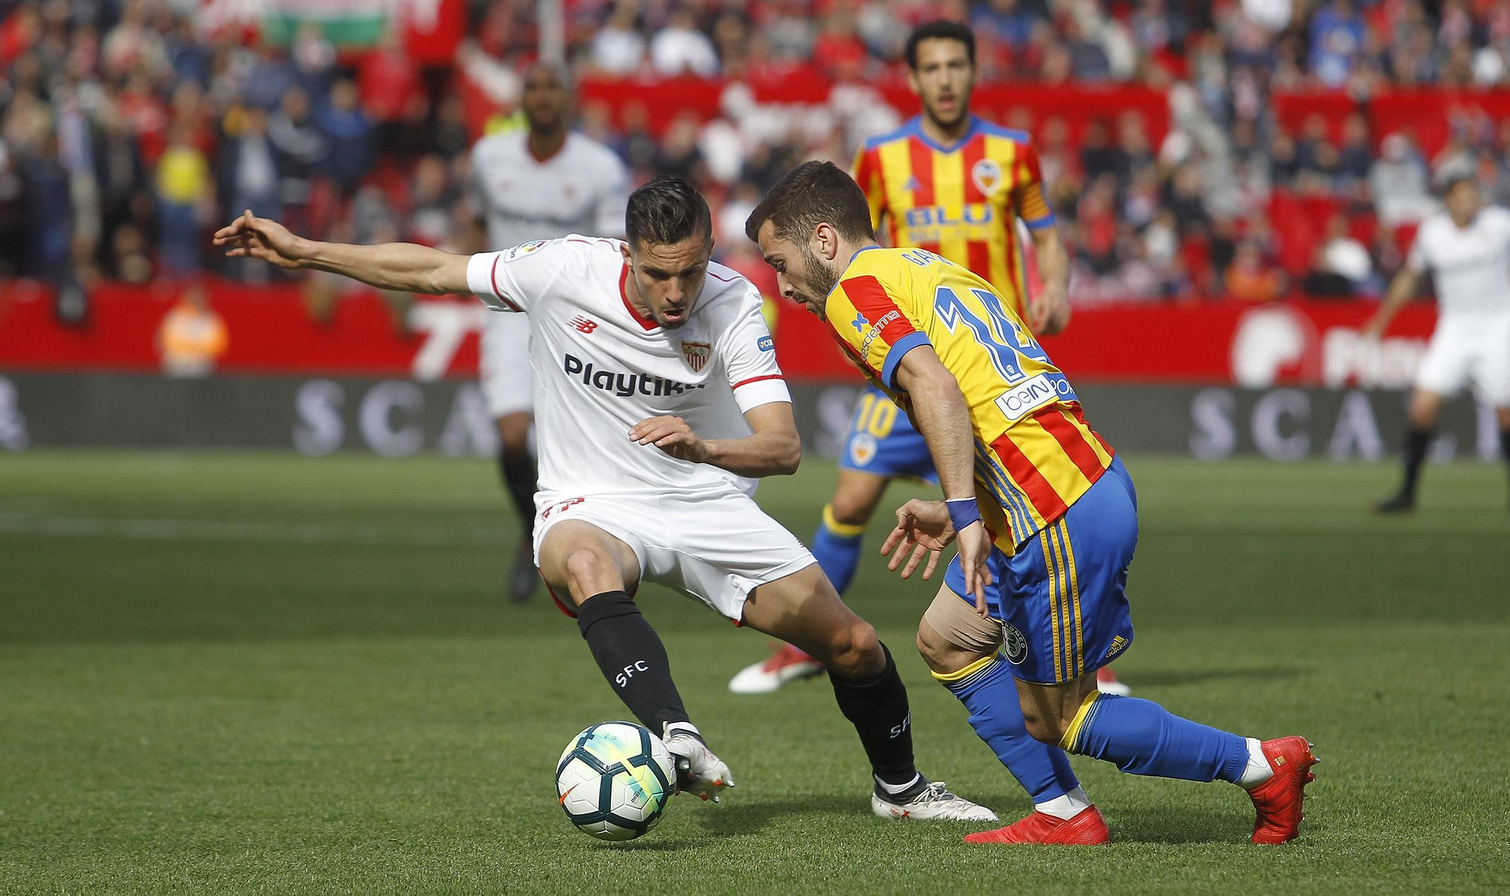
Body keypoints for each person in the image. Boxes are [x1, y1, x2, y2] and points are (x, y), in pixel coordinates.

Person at [212, 178, 992, 822]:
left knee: (853, 645)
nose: (676, 291)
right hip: (590, 498)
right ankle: (676, 735)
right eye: (658, 274)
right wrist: (307, 250)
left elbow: (783, 446)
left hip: (705, 500)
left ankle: (902, 791)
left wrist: (702, 448)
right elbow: (430, 271)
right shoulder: (562, 270)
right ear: (626, 254)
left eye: (690, 270)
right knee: (582, 559)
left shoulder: (734, 305)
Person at [747, 160, 1316, 845]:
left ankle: (1261, 765)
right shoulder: (926, 268)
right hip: (1063, 487)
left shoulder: (851, 295)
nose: (782, 284)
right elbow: (997, 392)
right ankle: (1063, 813)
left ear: (826, 243)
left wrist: (963, 512)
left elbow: (937, 389)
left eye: (781, 261)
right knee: (948, 640)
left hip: (1052, 512)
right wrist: (970, 508)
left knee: (1062, 717)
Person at [728, 20, 1132, 699]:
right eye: (932, 68)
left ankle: (1081, 651)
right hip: (902, 346)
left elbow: (1045, 233)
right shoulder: (883, 159)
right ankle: (806, 644)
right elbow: (854, 240)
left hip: (981, 360)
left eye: (956, 66)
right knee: (853, 499)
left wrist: (1054, 282)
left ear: (973, 72)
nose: (945, 79)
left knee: (1034, 495)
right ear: (914, 80)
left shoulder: (1013, 152)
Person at [469, 64, 630, 603]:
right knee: (514, 437)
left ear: (570, 98)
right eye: (533, 87)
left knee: (585, 447)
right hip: (506, 315)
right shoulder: (489, 158)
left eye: (552, 88)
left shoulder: (600, 167)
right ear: (521, 96)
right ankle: (532, 530)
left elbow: (611, 252)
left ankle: (594, 545)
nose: (542, 97)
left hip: (571, 323)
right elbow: (475, 224)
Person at [1364, 175, 1510, 516]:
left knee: (1506, 412)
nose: (1472, 202)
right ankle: (1406, 495)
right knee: (1422, 407)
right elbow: (1408, 277)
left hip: (1496, 328)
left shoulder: (1498, 223)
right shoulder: (1432, 233)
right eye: (1464, 196)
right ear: (1448, 201)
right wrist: (1381, 319)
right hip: (1454, 329)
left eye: (1475, 195)